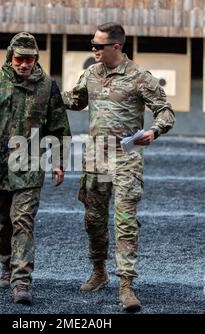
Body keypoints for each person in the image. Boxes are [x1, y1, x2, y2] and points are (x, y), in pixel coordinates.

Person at [62, 22, 175, 312]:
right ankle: (99, 271)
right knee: (94, 220)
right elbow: (75, 101)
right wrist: (45, 92)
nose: (94, 49)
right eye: (92, 44)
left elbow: (164, 110)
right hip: (95, 159)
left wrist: (155, 130)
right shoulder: (90, 73)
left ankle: (126, 284)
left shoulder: (139, 77)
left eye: (99, 46)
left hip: (127, 158)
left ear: (116, 46)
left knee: (125, 221)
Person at [0, 32, 71, 305]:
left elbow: (58, 127)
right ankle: (6, 266)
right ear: (11, 57)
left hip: (30, 164)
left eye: (29, 59)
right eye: (19, 59)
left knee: (23, 221)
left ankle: (22, 282)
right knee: (1, 223)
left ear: (36, 59)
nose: (24, 64)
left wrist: (58, 161)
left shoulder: (47, 86)